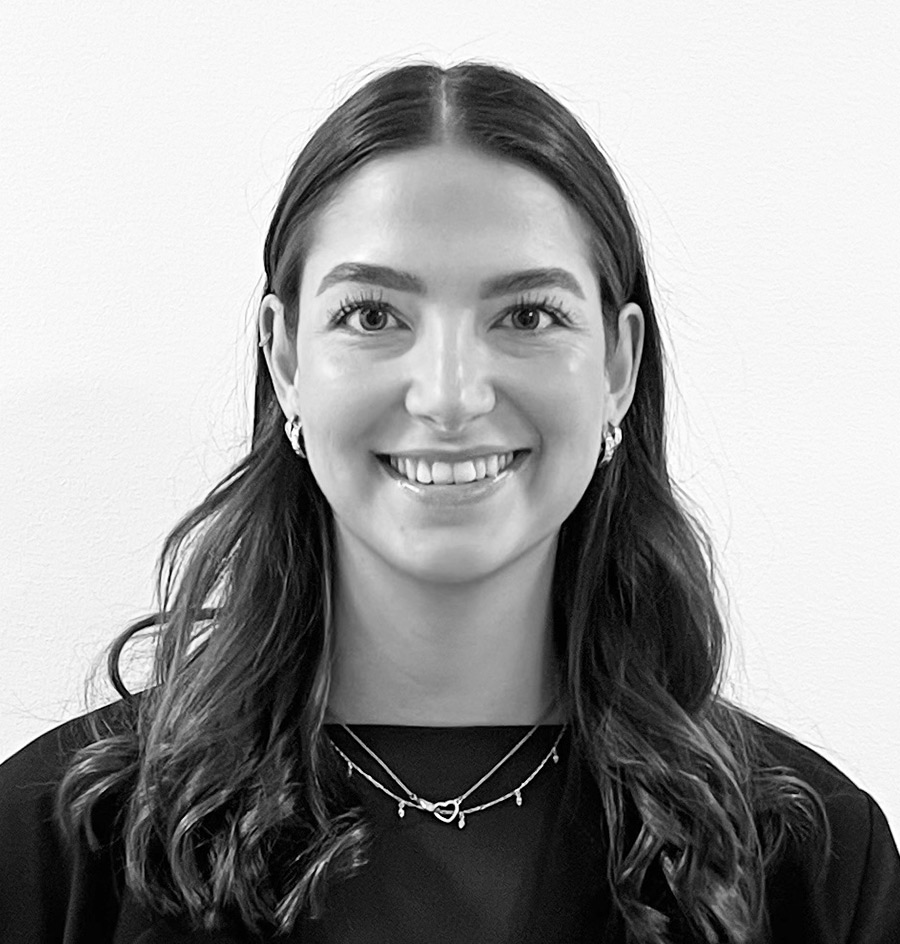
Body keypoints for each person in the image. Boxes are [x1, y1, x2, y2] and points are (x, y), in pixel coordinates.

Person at [1, 60, 898, 944]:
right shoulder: (55, 844)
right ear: (285, 360)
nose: (450, 395)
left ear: (619, 366)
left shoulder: (813, 860)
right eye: (373, 315)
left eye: (528, 315)